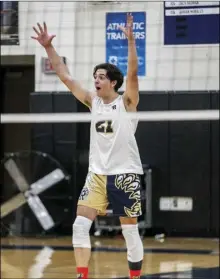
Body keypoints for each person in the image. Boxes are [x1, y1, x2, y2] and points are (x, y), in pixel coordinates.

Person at [32, 13, 144, 279]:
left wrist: (131, 41)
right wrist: (48, 47)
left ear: (112, 82)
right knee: (80, 226)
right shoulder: (92, 101)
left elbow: (133, 73)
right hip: (97, 175)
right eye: (95, 76)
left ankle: (135, 276)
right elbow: (64, 75)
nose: (96, 79)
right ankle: (82, 274)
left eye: (101, 76)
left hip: (124, 173)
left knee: (129, 230)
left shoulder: (126, 102)